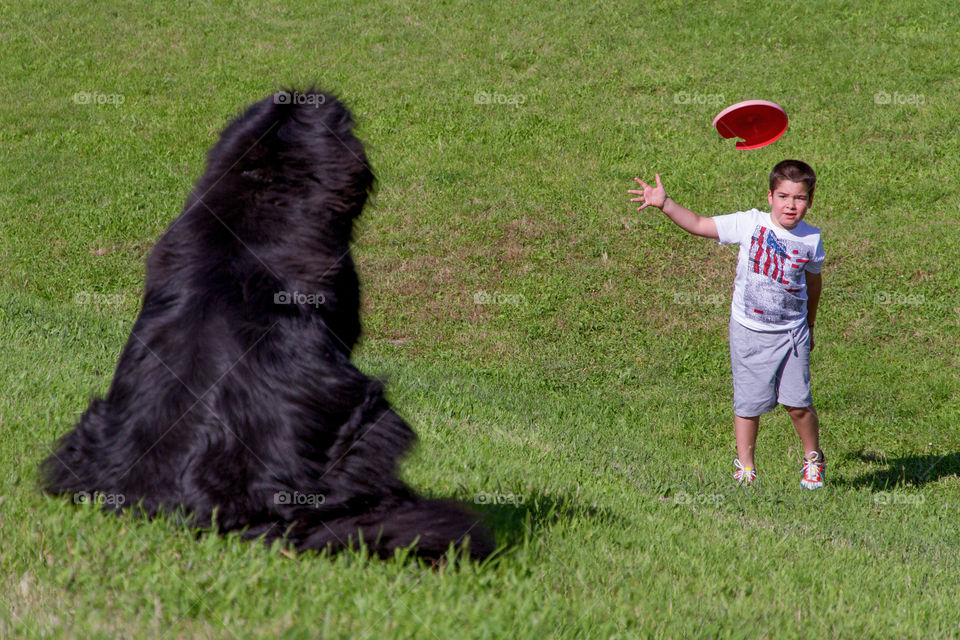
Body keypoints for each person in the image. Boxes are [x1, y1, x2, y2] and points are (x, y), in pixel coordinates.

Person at [628, 160, 825, 489]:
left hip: (791, 334)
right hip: (749, 332)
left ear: (810, 200)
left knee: (799, 405)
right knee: (748, 406)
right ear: (769, 196)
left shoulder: (811, 239)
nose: (791, 205)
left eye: (800, 198)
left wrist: (811, 326)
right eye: (783, 196)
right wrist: (665, 204)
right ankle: (746, 469)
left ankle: (813, 459)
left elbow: (813, 285)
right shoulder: (749, 223)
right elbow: (700, 223)